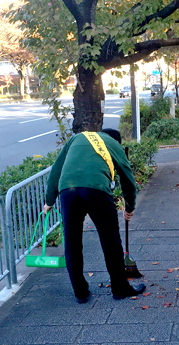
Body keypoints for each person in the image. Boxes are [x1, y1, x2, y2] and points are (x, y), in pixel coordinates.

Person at [43, 128, 145, 303]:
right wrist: (129, 207)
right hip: (96, 189)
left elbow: (56, 169)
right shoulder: (115, 145)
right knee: (110, 240)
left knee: (72, 243)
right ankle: (119, 288)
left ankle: (80, 293)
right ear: (117, 140)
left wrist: (49, 201)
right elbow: (127, 177)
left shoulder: (77, 138)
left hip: (67, 191)